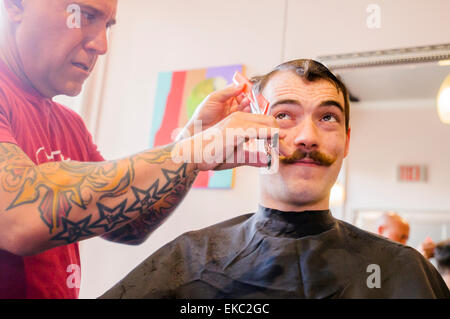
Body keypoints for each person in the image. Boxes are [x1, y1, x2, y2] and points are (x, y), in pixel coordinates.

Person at [101, 59, 450, 299]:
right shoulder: (189, 260)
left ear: (346, 141)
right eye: (284, 115)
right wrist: (189, 149)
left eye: (327, 117)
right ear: (251, 132)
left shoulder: (406, 271)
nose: (307, 137)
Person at [0, 0, 277, 298]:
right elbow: (20, 214)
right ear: (15, 5)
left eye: (107, 25)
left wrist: (192, 147)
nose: (102, 44)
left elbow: (130, 226)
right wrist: (192, 150)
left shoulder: (70, 125)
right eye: (84, 15)